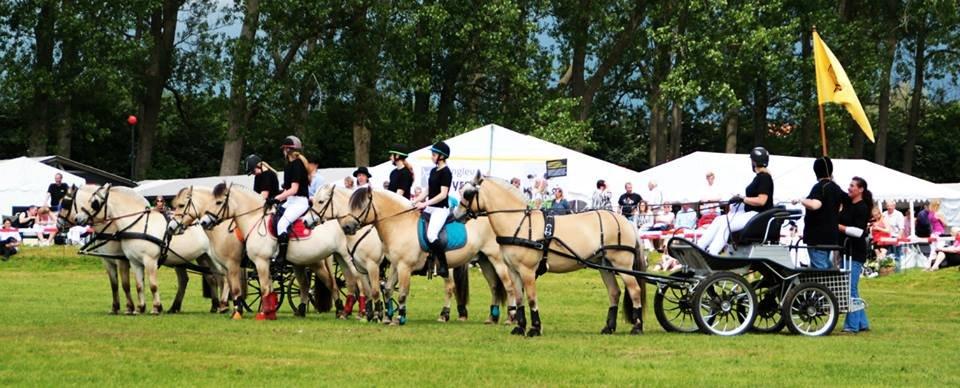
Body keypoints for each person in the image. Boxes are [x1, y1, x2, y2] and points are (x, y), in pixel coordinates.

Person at [697, 147, 774, 255]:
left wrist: (743, 198)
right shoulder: (760, 177)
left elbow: (762, 201)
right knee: (719, 219)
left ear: (753, 161)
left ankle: (712, 253)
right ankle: (699, 247)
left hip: (757, 216)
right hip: (750, 214)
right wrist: (740, 198)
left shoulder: (764, 178)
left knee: (726, 225)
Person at [797, 156, 846, 269]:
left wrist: (802, 200)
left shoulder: (820, 187)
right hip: (831, 236)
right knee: (827, 266)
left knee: (820, 269)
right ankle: (832, 285)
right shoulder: (836, 188)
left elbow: (815, 205)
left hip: (817, 237)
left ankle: (825, 287)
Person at [838, 177, 872, 334]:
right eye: (849, 185)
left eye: (852, 186)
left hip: (855, 252)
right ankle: (862, 322)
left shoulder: (862, 208)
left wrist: (838, 227)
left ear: (861, 189)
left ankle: (851, 326)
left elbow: (859, 232)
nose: (849, 188)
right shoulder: (849, 204)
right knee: (852, 288)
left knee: (850, 289)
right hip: (846, 251)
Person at [413, 141, 453, 277]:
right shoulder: (433, 170)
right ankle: (423, 263)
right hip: (430, 207)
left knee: (431, 235)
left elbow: (443, 195)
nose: (432, 156)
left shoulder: (446, 172)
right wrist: (414, 202)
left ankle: (443, 265)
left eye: (434, 154)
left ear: (441, 156)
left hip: (441, 209)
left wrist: (424, 204)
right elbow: (428, 190)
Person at [271, 135, 311, 263]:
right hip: (291, 201)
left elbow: (294, 189)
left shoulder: (297, 165)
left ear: (287, 150)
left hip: (299, 201)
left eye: (284, 149)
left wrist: (277, 199)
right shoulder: (290, 165)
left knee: (282, 224)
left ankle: (282, 257)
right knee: (272, 216)